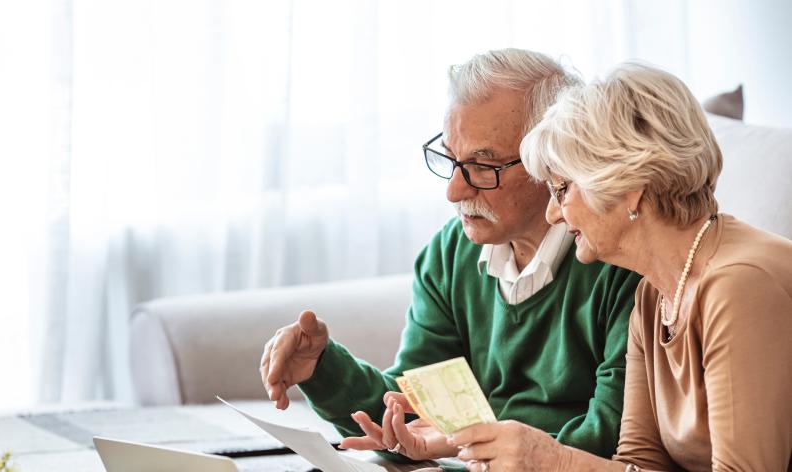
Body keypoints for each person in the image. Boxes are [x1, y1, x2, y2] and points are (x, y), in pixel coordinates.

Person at [259, 49, 643, 464]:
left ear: (553, 159)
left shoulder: (619, 258)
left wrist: (467, 441)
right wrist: (322, 367)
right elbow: (410, 417)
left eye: (482, 165)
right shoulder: (451, 252)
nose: (454, 192)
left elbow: (613, 438)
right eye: (450, 158)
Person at [442, 62, 792, 471]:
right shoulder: (655, 293)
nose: (553, 213)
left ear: (629, 188)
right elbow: (638, 463)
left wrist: (553, 461)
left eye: (563, 189)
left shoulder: (740, 286)